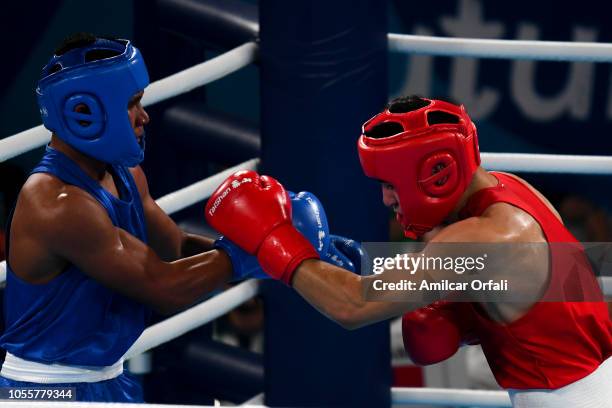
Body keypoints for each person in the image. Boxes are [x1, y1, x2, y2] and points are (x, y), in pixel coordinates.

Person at [0, 33, 344, 403]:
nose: (144, 117)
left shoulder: (125, 175)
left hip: (107, 377)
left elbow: (175, 248)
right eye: (132, 104)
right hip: (46, 392)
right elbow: (163, 287)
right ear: (84, 111)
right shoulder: (57, 204)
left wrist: (273, 251)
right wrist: (260, 253)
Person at [206, 96, 612, 407]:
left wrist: (276, 243)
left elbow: (352, 306)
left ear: (435, 173)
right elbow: (544, 295)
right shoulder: (510, 192)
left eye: (390, 184)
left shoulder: (486, 238)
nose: (385, 200)